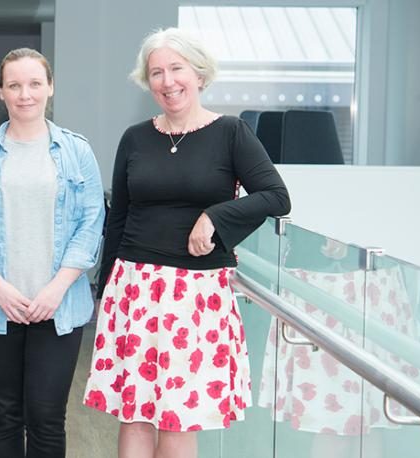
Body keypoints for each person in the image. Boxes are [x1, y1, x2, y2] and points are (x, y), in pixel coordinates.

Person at [82, 27, 291, 458]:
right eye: (156, 72)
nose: (167, 81)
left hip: (196, 295)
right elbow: (117, 217)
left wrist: (214, 216)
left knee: (179, 418)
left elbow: (276, 196)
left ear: (198, 73)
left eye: (176, 68)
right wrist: (105, 292)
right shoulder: (135, 138)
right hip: (135, 288)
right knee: (135, 414)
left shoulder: (231, 132)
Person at [0, 47, 104, 458]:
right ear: (0, 92)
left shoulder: (77, 152)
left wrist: (56, 288)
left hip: (59, 305)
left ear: (50, 87)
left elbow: (91, 224)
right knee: (2, 414)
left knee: (47, 415)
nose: (25, 94)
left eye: (35, 84)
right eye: (14, 85)